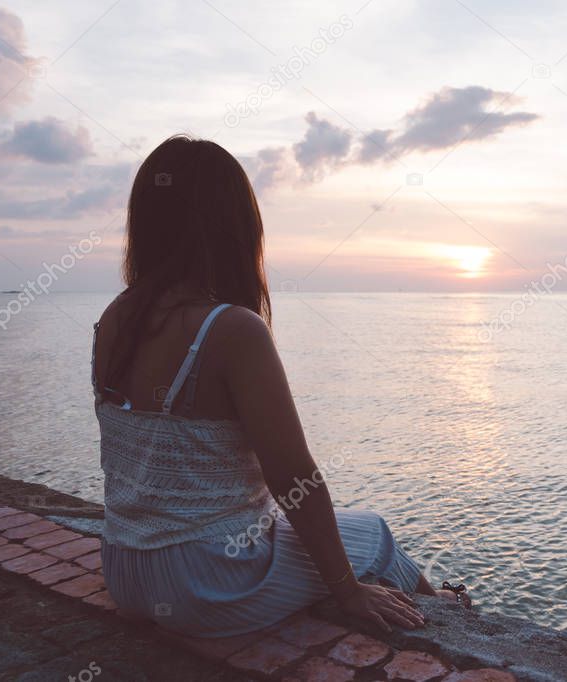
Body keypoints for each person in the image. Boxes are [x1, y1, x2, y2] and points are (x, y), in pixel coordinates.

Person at [91, 135, 469, 638]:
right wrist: (346, 590)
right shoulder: (230, 329)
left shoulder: (115, 318)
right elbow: (294, 477)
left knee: (316, 534)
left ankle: (436, 604)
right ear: (233, 227)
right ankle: (441, 612)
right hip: (203, 585)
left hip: (125, 568)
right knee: (373, 535)